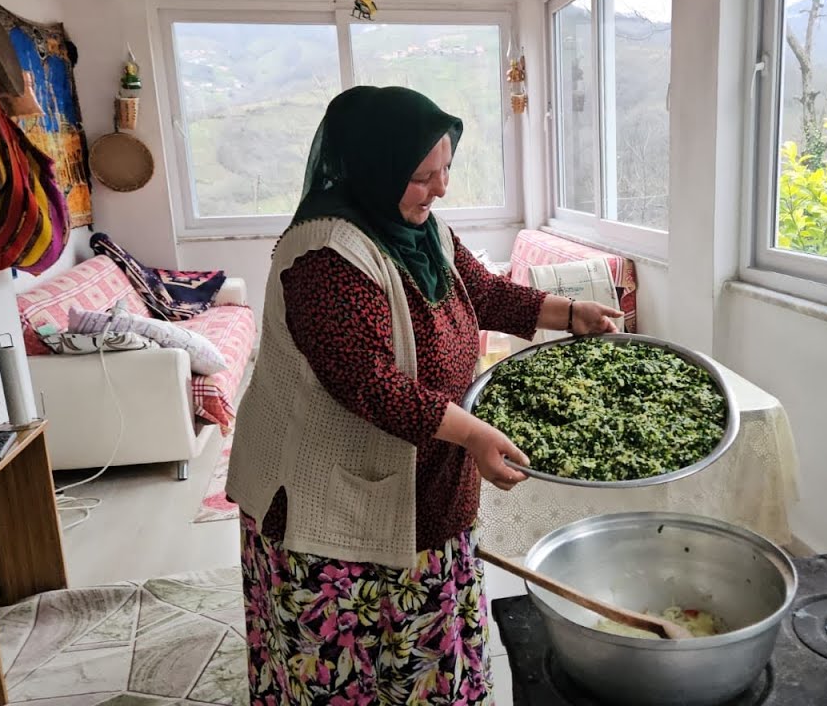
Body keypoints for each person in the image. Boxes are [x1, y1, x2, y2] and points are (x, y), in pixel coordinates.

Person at [225, 85, 622, 705]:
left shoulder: (421, 229)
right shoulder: (326, 256)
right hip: (327, 499)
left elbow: (483, 292)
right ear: (373, 168)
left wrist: (569, 313)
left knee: (427, 647)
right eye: (422, 176)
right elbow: (372, 384)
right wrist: (475, 433)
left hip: (427, 474)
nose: (440, 190)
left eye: (446, 171)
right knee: (344, 663)